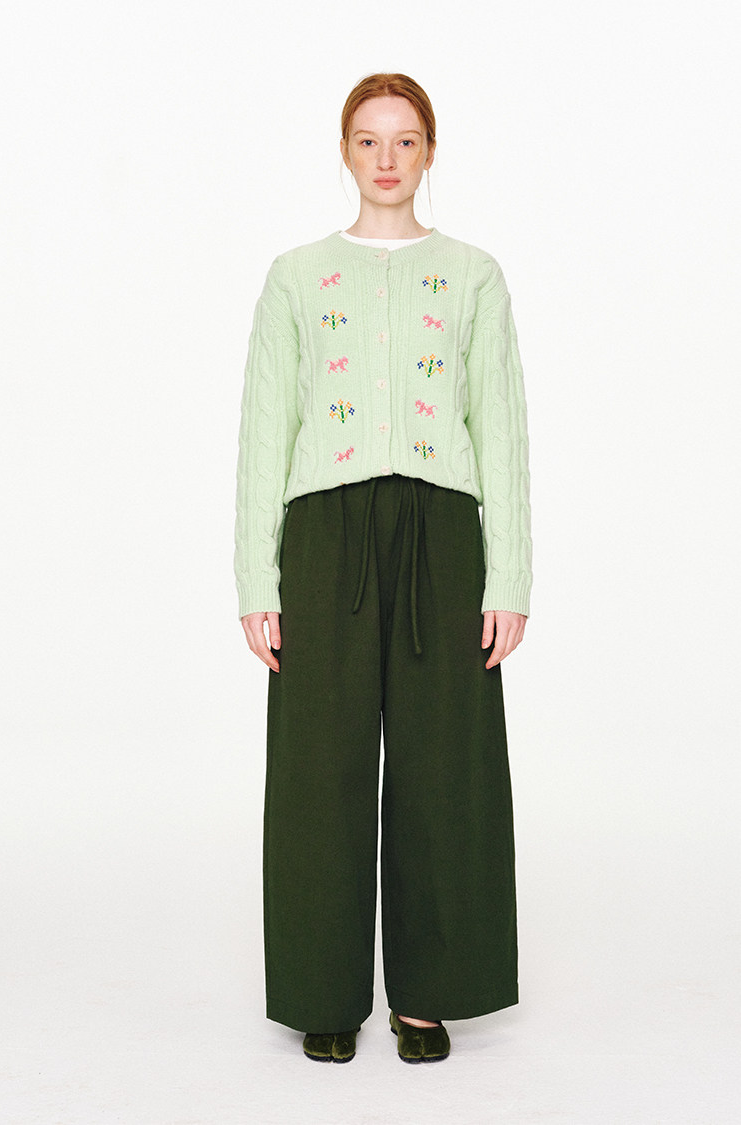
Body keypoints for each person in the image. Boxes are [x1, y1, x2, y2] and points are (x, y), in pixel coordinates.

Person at [234, 72, 532, 1065]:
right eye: (369, 140)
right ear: (345, 152)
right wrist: (256, 581)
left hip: (442, 530)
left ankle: (428, 994)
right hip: (324, 532)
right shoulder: (296, 276)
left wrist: (509, 578)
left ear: (430, 151)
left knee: (446, 764)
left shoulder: (474, 275)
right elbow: (266, 430)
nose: (388, 158)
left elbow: (501, 428)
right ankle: (323, 990)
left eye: (406, 141)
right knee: (318, 764)